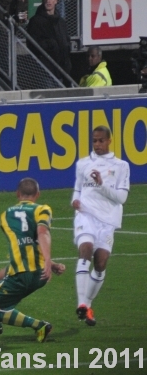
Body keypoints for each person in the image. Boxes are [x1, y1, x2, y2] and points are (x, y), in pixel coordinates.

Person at [0, 178, 66, 343]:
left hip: (21, 274)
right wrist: (50, 263)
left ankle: (39, 325)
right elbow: (40, 235)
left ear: (17, 194)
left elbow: (30, 237)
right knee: (0, 276)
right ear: (38, 194)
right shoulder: (43, 209)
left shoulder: (5, 217)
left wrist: (48, 261)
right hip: (40, 274)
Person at [71, 126, 130, 326]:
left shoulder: (121, 166)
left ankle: (87, 305)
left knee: (101, 263)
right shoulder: (83, 164)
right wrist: (75, 201)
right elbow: (78, 189)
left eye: (101, 141)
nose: (97, 144)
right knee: (85, 250)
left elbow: (121, 198)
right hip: (86, 216)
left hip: (108, 220)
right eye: (94, 141)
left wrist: (101, 184)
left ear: (109, 141)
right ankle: (81, 303)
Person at [26, 0, 72, 76]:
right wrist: (50, 45)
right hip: (46, 69)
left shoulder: (61, 21)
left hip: (63, 68)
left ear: (56, 1)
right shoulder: (35, 21)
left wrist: (67, 47)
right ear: (43, 0)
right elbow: (31, 43)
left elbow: (66, 39)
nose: (48, 1)